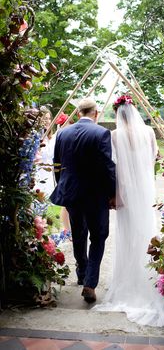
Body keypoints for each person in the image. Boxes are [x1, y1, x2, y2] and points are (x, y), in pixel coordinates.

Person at [94, 95, 164, 327]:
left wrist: (115, 193)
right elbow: (153, 158)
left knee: (127, 233)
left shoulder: (114, 135)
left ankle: (127, 279)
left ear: (117, 114)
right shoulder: (150, 133)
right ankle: (147, 276)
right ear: (134, 111)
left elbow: (111, 165)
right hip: (144, 190)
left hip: (124, 190)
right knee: (145, 230)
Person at [50, 98, 116, 303]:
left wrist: (63, 186)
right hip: (95, 195)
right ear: (95, 113)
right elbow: (108, 167)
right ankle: (89, 283)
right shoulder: (101, 133)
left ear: (78, 113)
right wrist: (113, 193)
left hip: (71, 192)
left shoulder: (63, 133)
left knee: (78, 234)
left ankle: (81, 273)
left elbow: (57, 165)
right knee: (98, 236)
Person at [35, 106, 55, 197]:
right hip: (38, 169)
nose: (48, 121)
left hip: (48, 168)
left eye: (49, 118)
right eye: (45, 118)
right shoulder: (37, 135)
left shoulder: (48, 136)